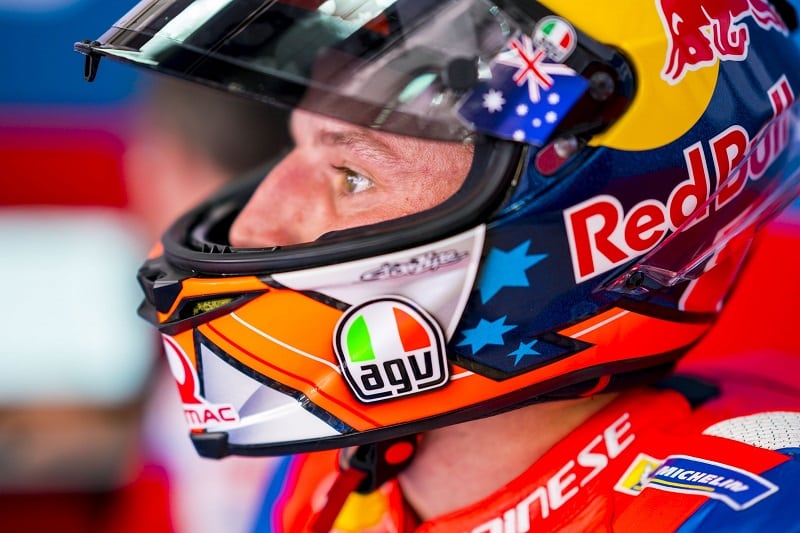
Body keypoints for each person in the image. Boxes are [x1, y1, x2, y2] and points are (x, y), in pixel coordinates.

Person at [75, 1, 800, 531]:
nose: (254, 223)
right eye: (296, 146)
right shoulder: (329, 475)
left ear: (588, 229)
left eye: (351, 177)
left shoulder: (752, 512)